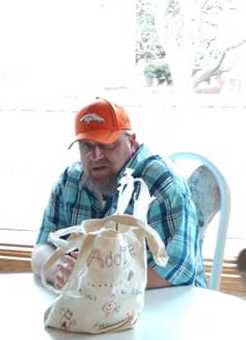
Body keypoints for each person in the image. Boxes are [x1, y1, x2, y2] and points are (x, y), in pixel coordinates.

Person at [32, 98, 207, 290]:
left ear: (131, 141)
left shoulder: (160, 181)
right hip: (91, 302)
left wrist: (94, 279)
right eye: (86, 146)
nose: (96, 155)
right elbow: (41, 249)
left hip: (170, 301)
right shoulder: (70, 180)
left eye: (107, 145)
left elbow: (177, 273)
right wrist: (60, 270)